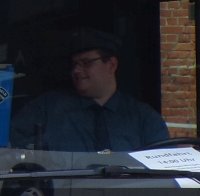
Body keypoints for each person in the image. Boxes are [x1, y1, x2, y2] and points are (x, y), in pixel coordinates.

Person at [10, 28, 169, 152]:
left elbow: (163, 173)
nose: (77, 71)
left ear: (111, 65)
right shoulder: (46, 109)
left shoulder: (143, 119)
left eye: (86, 63)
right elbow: (11, 150)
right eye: (74, 64)